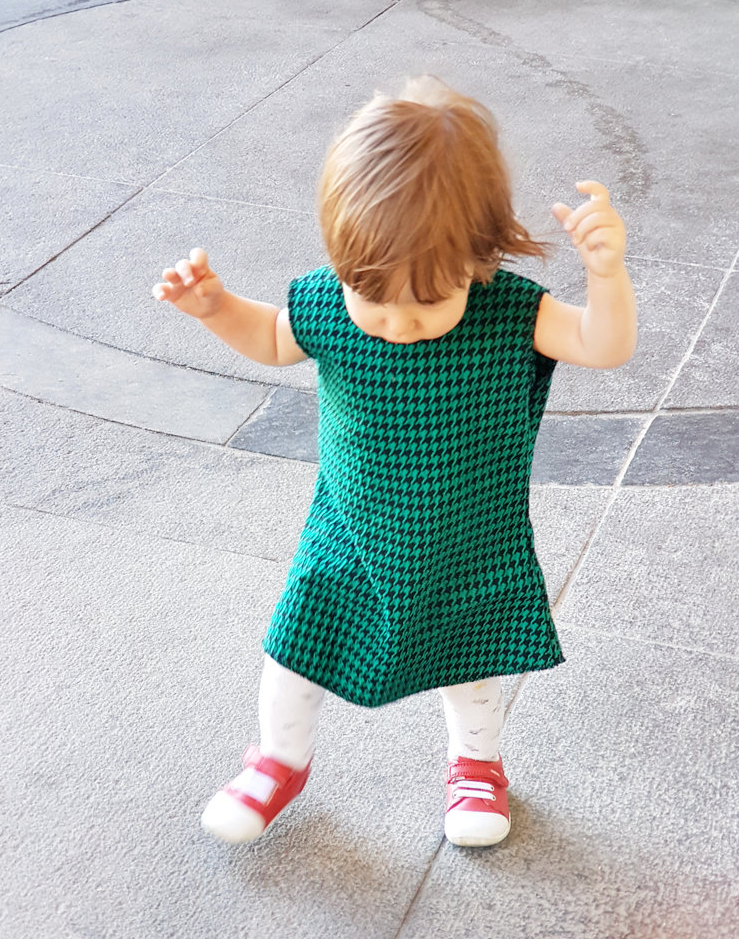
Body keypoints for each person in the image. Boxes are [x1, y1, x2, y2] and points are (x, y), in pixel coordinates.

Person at [152, 75, 637, 847]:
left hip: (468, 535)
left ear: (479, 260)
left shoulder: (513, 312)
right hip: (346, 528)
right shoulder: (322, 304)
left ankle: (476, 768)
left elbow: (604, 346)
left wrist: (605, 275)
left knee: (470, 655)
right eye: (370, 299)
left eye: (424, 305)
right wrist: (215, 308)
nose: (394, 325)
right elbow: (273, 340)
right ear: (338, 257)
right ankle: (278, 760)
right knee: (295, 643)